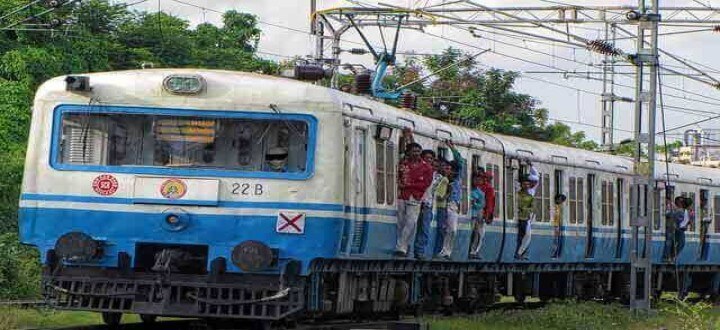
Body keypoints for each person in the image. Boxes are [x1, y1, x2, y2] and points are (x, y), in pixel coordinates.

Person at [395, 140, 433, 257]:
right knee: (401, 222)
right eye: (413, 151)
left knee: (411, 222)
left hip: (415, 197)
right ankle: (404, 245)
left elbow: (425, 184)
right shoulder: (403, 164)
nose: (416, 153)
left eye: (418, 151)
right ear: (409, 152)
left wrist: (409, 185)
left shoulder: (426, 168)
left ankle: (402, 247)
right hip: (402, 196)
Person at [435, 141, 465, 260]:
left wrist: (452, 148)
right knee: (443, 229)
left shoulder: (456, 179)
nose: (451, 172)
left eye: (453, 170)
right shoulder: (441, 179)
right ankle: (442, 251)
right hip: (443, 205)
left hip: (453, 205)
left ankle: (447, 251)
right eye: (448, 169)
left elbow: (460, 162)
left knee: (452, 229)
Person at [413, 150, 442, 260]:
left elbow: (436, 192)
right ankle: (412, 249)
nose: (429, 161)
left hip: (427, 204)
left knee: (424, 228)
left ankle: (420, 251)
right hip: (416, 201)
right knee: (412, 226)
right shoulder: (418, 171)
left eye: (431, 159)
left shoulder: (438, 177)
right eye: (427, 158)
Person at [432, 160, 451, 257]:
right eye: (443, 167)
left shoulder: (445, 179)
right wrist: (445, 196)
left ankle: (438, 250)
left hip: (442, 206)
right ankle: (437, 251)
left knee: (441, 229)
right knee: (441, 229)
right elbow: (436, 191)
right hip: (440, 206)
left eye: (447, 168)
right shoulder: (442, 179)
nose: (446, 170)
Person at [515, 175, 535, 260]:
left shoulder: (530, 197)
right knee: (519, 237)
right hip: (517, 218)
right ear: (521, 185)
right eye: (524, 184)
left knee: (527, 236)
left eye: (528, 184)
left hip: (525, 219)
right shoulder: (517, 195)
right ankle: (518, 253)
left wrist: (525, 209)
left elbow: (533, 208)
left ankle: (520, 253)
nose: (526, 186)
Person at [468, 173, 487, 259]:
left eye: (479, 180)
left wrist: (474, 203)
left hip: (475, 216)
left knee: (477, 234)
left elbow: (482, 205)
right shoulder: (468, 188)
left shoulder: (480, 193)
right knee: (469, 233)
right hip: (468, 215)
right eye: (476, 179)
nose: (477, 181)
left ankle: (473, 251)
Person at [551, 194, 567, 258]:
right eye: (560, 199)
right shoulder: (554, 207)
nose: (561, 201)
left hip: (557, 225)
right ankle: (554, 253)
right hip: (555, 225)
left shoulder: (558, 207)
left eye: (562, 200)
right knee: (555, 240)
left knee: (556, 240)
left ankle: (555, 253)